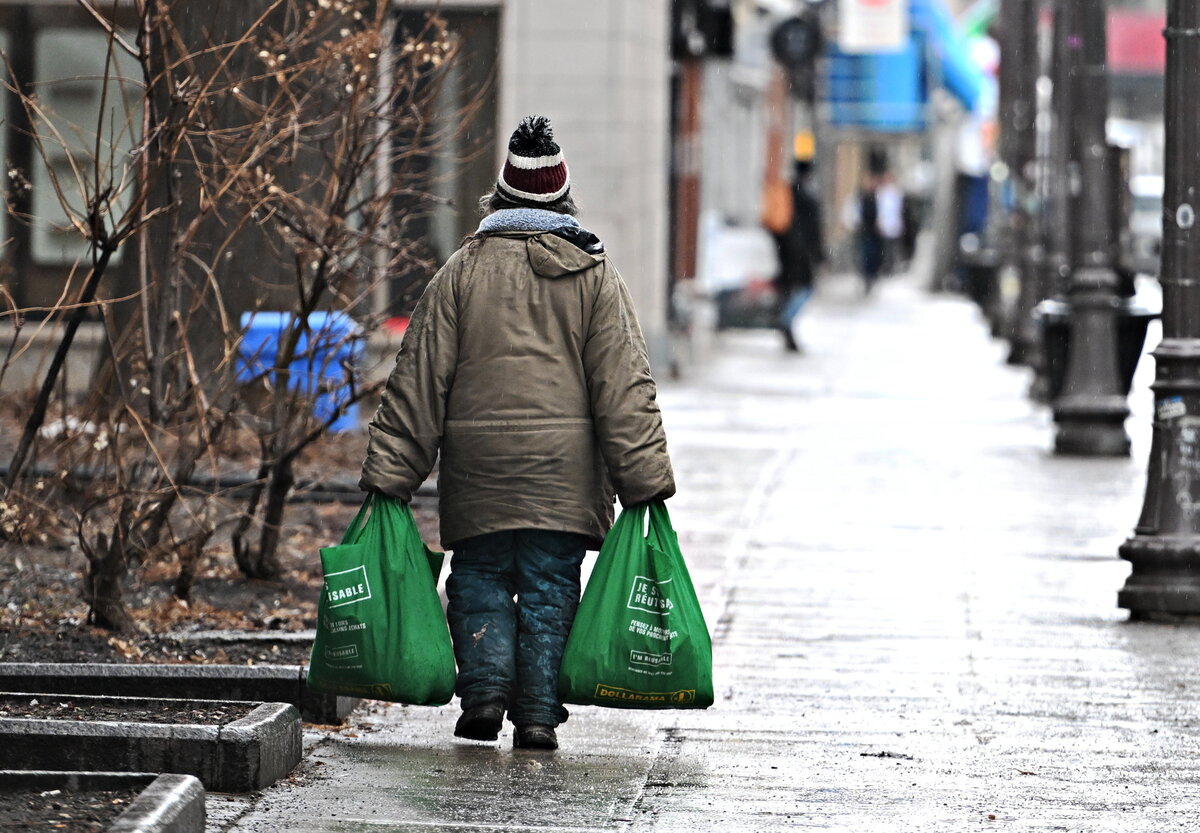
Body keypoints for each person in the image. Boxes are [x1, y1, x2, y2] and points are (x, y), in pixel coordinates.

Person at [359, 115, 676, 751]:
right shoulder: (594, 278)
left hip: (478, 472)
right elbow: (623, 386)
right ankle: (535, 715)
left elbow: (419, 379)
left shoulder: (460, 273)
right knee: (549, 588)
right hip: (561, 479)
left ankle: (482, 696)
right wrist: (645, 479)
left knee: (477, 579)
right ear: (564, 197)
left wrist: (391, 474)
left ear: (499, 194)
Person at [771, 132, 825, 352]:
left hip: (785, 249)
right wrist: (819, 254)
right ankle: (785, 321)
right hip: (800, 253)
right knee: (805, 289)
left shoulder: (789, 192)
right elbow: (814, 231)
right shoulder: (809, 199)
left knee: (791, 289)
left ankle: (787, 325)